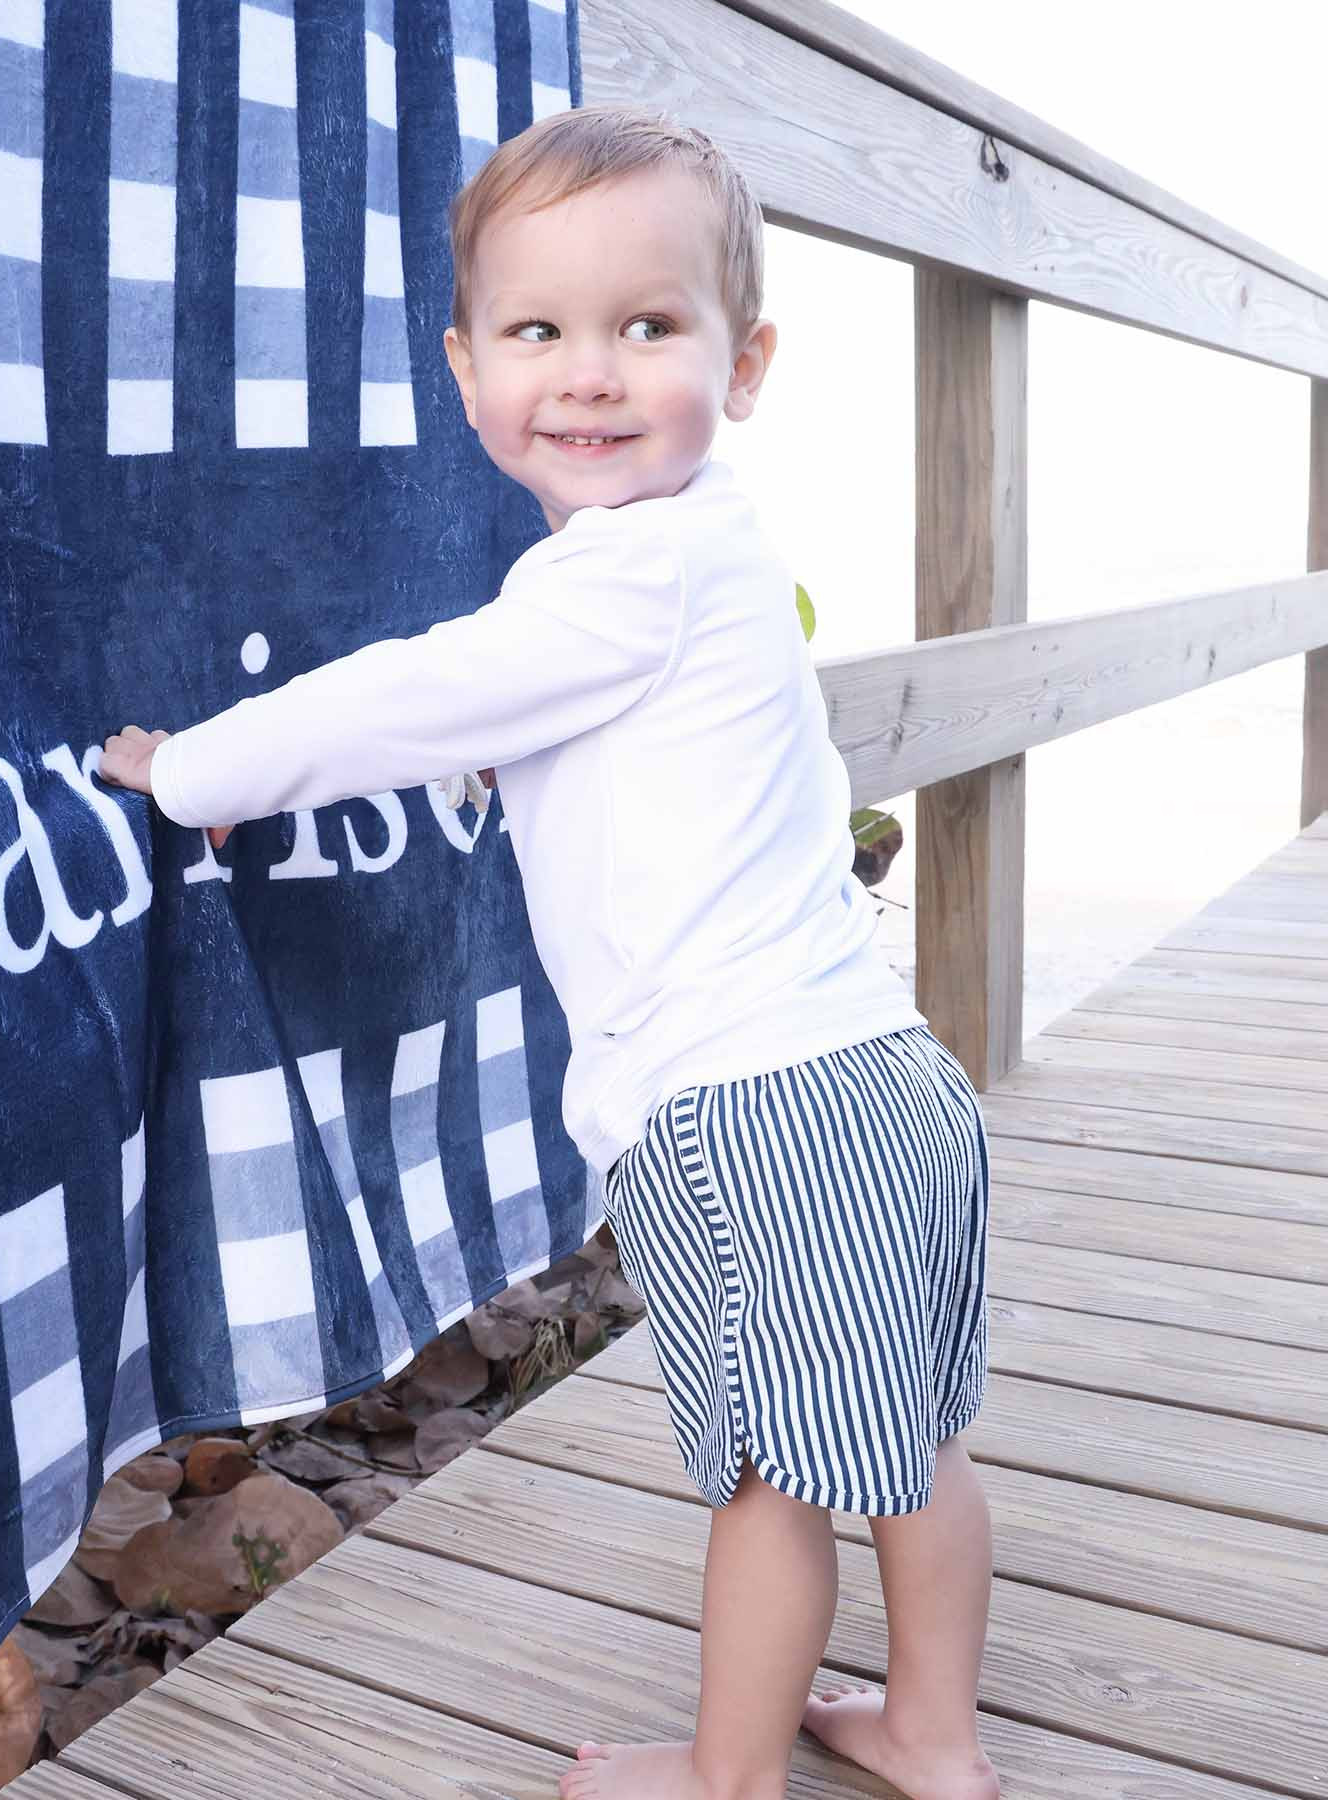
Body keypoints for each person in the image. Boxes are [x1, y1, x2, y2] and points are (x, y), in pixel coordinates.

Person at [100, 104, 998, 1800]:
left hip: (761, 1119)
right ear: (467, 367)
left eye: (647, 327)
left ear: (744, 363)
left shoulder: (620, 581)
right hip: (887, 1080)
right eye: (539, 331)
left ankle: (722, 1782)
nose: (587, 373)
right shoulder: (712, 551)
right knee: (910, 1440)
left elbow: (409, 694)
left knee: (772, 1481)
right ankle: (934, 1730)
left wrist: (195, 770)